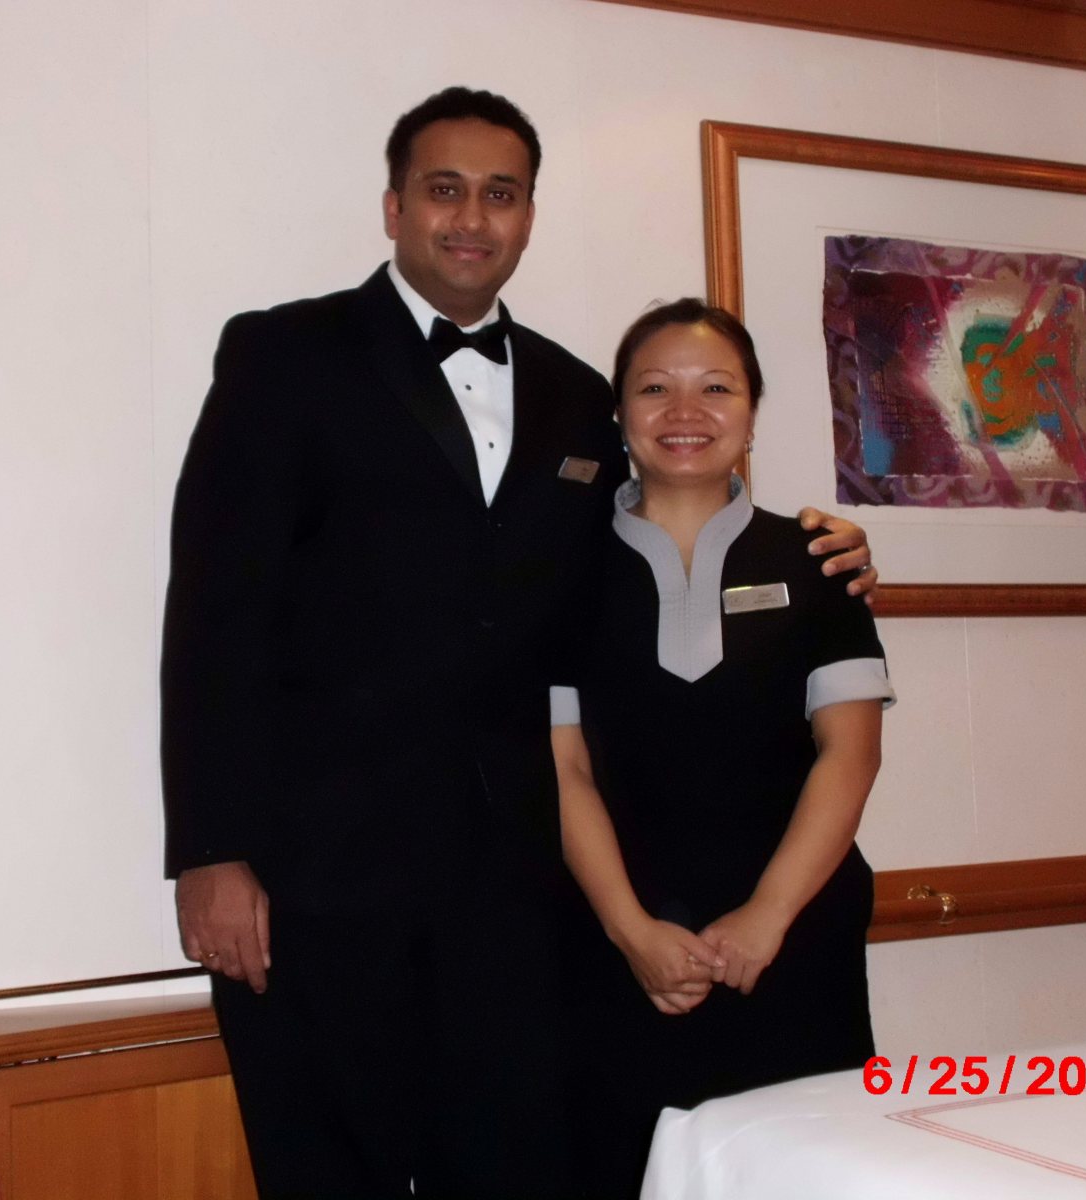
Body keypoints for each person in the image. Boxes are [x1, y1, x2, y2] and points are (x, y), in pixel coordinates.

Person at [160, 90, 875, 1200]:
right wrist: (212, 850)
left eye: (500, 193)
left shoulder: (577, 398)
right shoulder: (285, 355)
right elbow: (214, 610)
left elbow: (662, 526)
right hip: (315, 880)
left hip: (517, 892)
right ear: (394, 206)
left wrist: (829, 545)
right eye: (444, 189)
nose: (471, 217)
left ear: (529, 216)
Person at [552, 300, 894, 1200]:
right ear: (620, 413)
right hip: (615, 945)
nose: (684, 411)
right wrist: (631, 932)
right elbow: (563, 767)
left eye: (716, 388)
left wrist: (767, 916)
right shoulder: (561, 572)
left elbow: (851, 755)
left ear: (752, 411)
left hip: (795, 939)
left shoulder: (819, 560)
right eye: (653, 389)